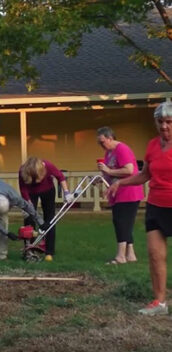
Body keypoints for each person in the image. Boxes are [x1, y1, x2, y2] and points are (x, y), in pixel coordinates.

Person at [107, 102, 172, 316]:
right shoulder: (152, 145)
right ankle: (160, 302)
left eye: (169, 122)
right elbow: (145, 175)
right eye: (160, 122)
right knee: (155, 255)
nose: (164, 126)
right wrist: (120, 183)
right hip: (156, 206)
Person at [96, 127, 143, 265]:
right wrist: (102, 177)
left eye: (102, 142)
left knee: (121, 223)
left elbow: (129, 170)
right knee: (124, 223)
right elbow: (111, 172)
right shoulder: (108, 153)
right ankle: (131, 255)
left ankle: (120, 256)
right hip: (117, 192)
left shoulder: (122, 149)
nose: (101, 145)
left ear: (110, 138)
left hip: (128, 191)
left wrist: (108, 170)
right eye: (99, 143)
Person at [18, 157, 74, 262]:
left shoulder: (47, 166)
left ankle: (49, 251)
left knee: (50, 219)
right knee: (29, 218)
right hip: (30, 193)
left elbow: (60, 177)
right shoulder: (23, 170)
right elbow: (23, 189)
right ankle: (29, 248)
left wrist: (66, 193)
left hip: (48, 191)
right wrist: (28, 204)